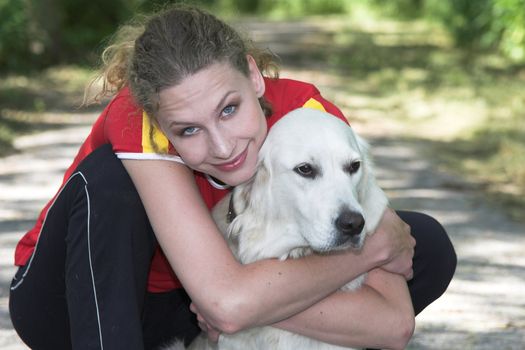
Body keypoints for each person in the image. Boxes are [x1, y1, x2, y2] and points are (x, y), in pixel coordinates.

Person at [9, 4, 456, 350]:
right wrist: (368, 251)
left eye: (229, 109)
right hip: (76, 305)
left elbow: (394, 324)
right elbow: (224, 303)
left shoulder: (309, 119)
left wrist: (246, 307)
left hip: (200, 306)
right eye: (188, 130)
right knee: (109, 180)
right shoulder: (139, 118)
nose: (223, 147)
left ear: (255, 77)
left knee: (425, 243)